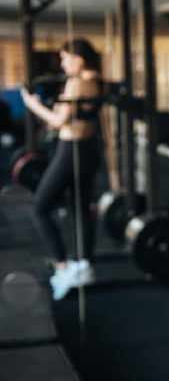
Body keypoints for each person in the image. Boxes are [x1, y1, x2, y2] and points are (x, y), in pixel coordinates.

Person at [21, 38, 103, 300]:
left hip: (70, 152)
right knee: (80, 210)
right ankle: (86, 267)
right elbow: (75, 112)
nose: (63, 64)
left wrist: (33, 105)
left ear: (79, 59)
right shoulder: (99, 81)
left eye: (65, 58)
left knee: (39, 209)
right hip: (89, 150)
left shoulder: (77, 82)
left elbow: (58, 122)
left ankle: (63, 266)